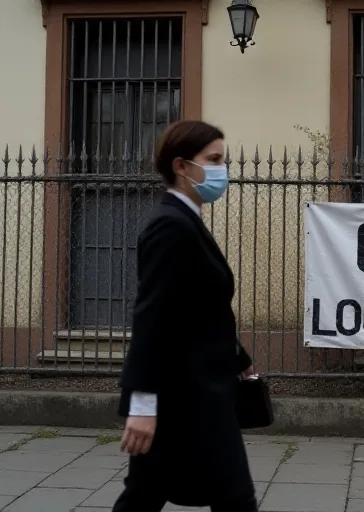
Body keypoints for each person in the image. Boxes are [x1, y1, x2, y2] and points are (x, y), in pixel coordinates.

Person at [113, 120, 258, 512]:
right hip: (183, 398)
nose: (221, 170)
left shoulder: (187, 221)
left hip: (200, 393)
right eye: (213, 160)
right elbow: (153, 318)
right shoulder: (170, 226)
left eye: (222, 160)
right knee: (232, 498)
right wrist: (142, 406)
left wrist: (238, 358)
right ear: (181, 166)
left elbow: (199, 308)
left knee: (149, 495)